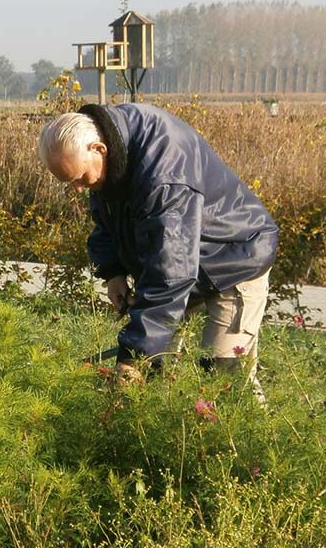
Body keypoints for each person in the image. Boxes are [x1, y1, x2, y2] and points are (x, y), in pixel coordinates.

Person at [38, 103, 279, 390]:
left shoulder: (164, 172)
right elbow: (108, 219)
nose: (78, 188)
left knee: (222, 380)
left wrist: (132, 355)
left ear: (98, 149)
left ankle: (261, 435)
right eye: (69, 181)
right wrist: (113, 272)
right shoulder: (110, 155)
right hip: (182, 266)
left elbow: (172, 269)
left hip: (234, 257)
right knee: (156, 372)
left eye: (78, 178)